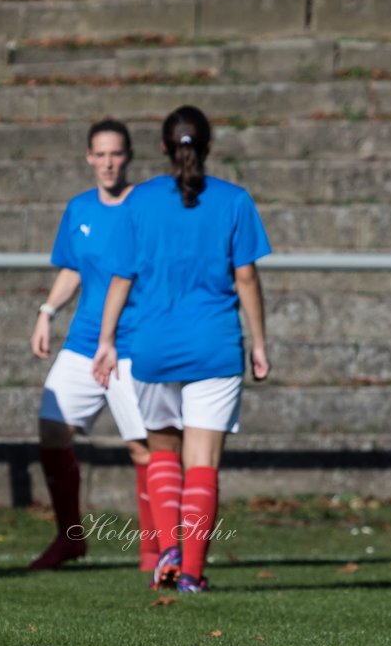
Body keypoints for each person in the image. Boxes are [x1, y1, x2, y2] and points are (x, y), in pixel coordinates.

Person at [94, 105, 271, 593]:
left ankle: (167, 552)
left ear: (164, 148)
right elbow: (247, 277)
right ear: (208, 146)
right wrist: (259, 343)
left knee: (162, 451)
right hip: (214, 347)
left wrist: (106, 341)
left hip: (153, 348)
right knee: (203, 462)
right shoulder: (235, 201)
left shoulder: (140, 201)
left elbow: (121, 278)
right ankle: (191, 571)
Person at [27, 119, 153, 574]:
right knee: (52, 430)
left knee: (144, 447)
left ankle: (155, 548)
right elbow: (73, 270)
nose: (108, 163)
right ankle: (70, 537)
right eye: (99, 154)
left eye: (115, 154)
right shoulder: (79, 208)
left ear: (129, 156)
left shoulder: (147, 205)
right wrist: (47, 311)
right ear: (88, 157)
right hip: (83, 343)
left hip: (133, 346)